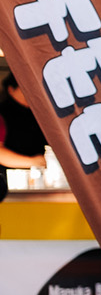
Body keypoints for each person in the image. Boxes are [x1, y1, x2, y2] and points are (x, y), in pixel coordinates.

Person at [0, 71, 49, 202]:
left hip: (38, 183)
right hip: (9, 183)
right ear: (11, 89)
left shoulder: (39, 115)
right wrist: (33, 162)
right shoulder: (3, 114)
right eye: (24, 88)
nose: (30, 93)